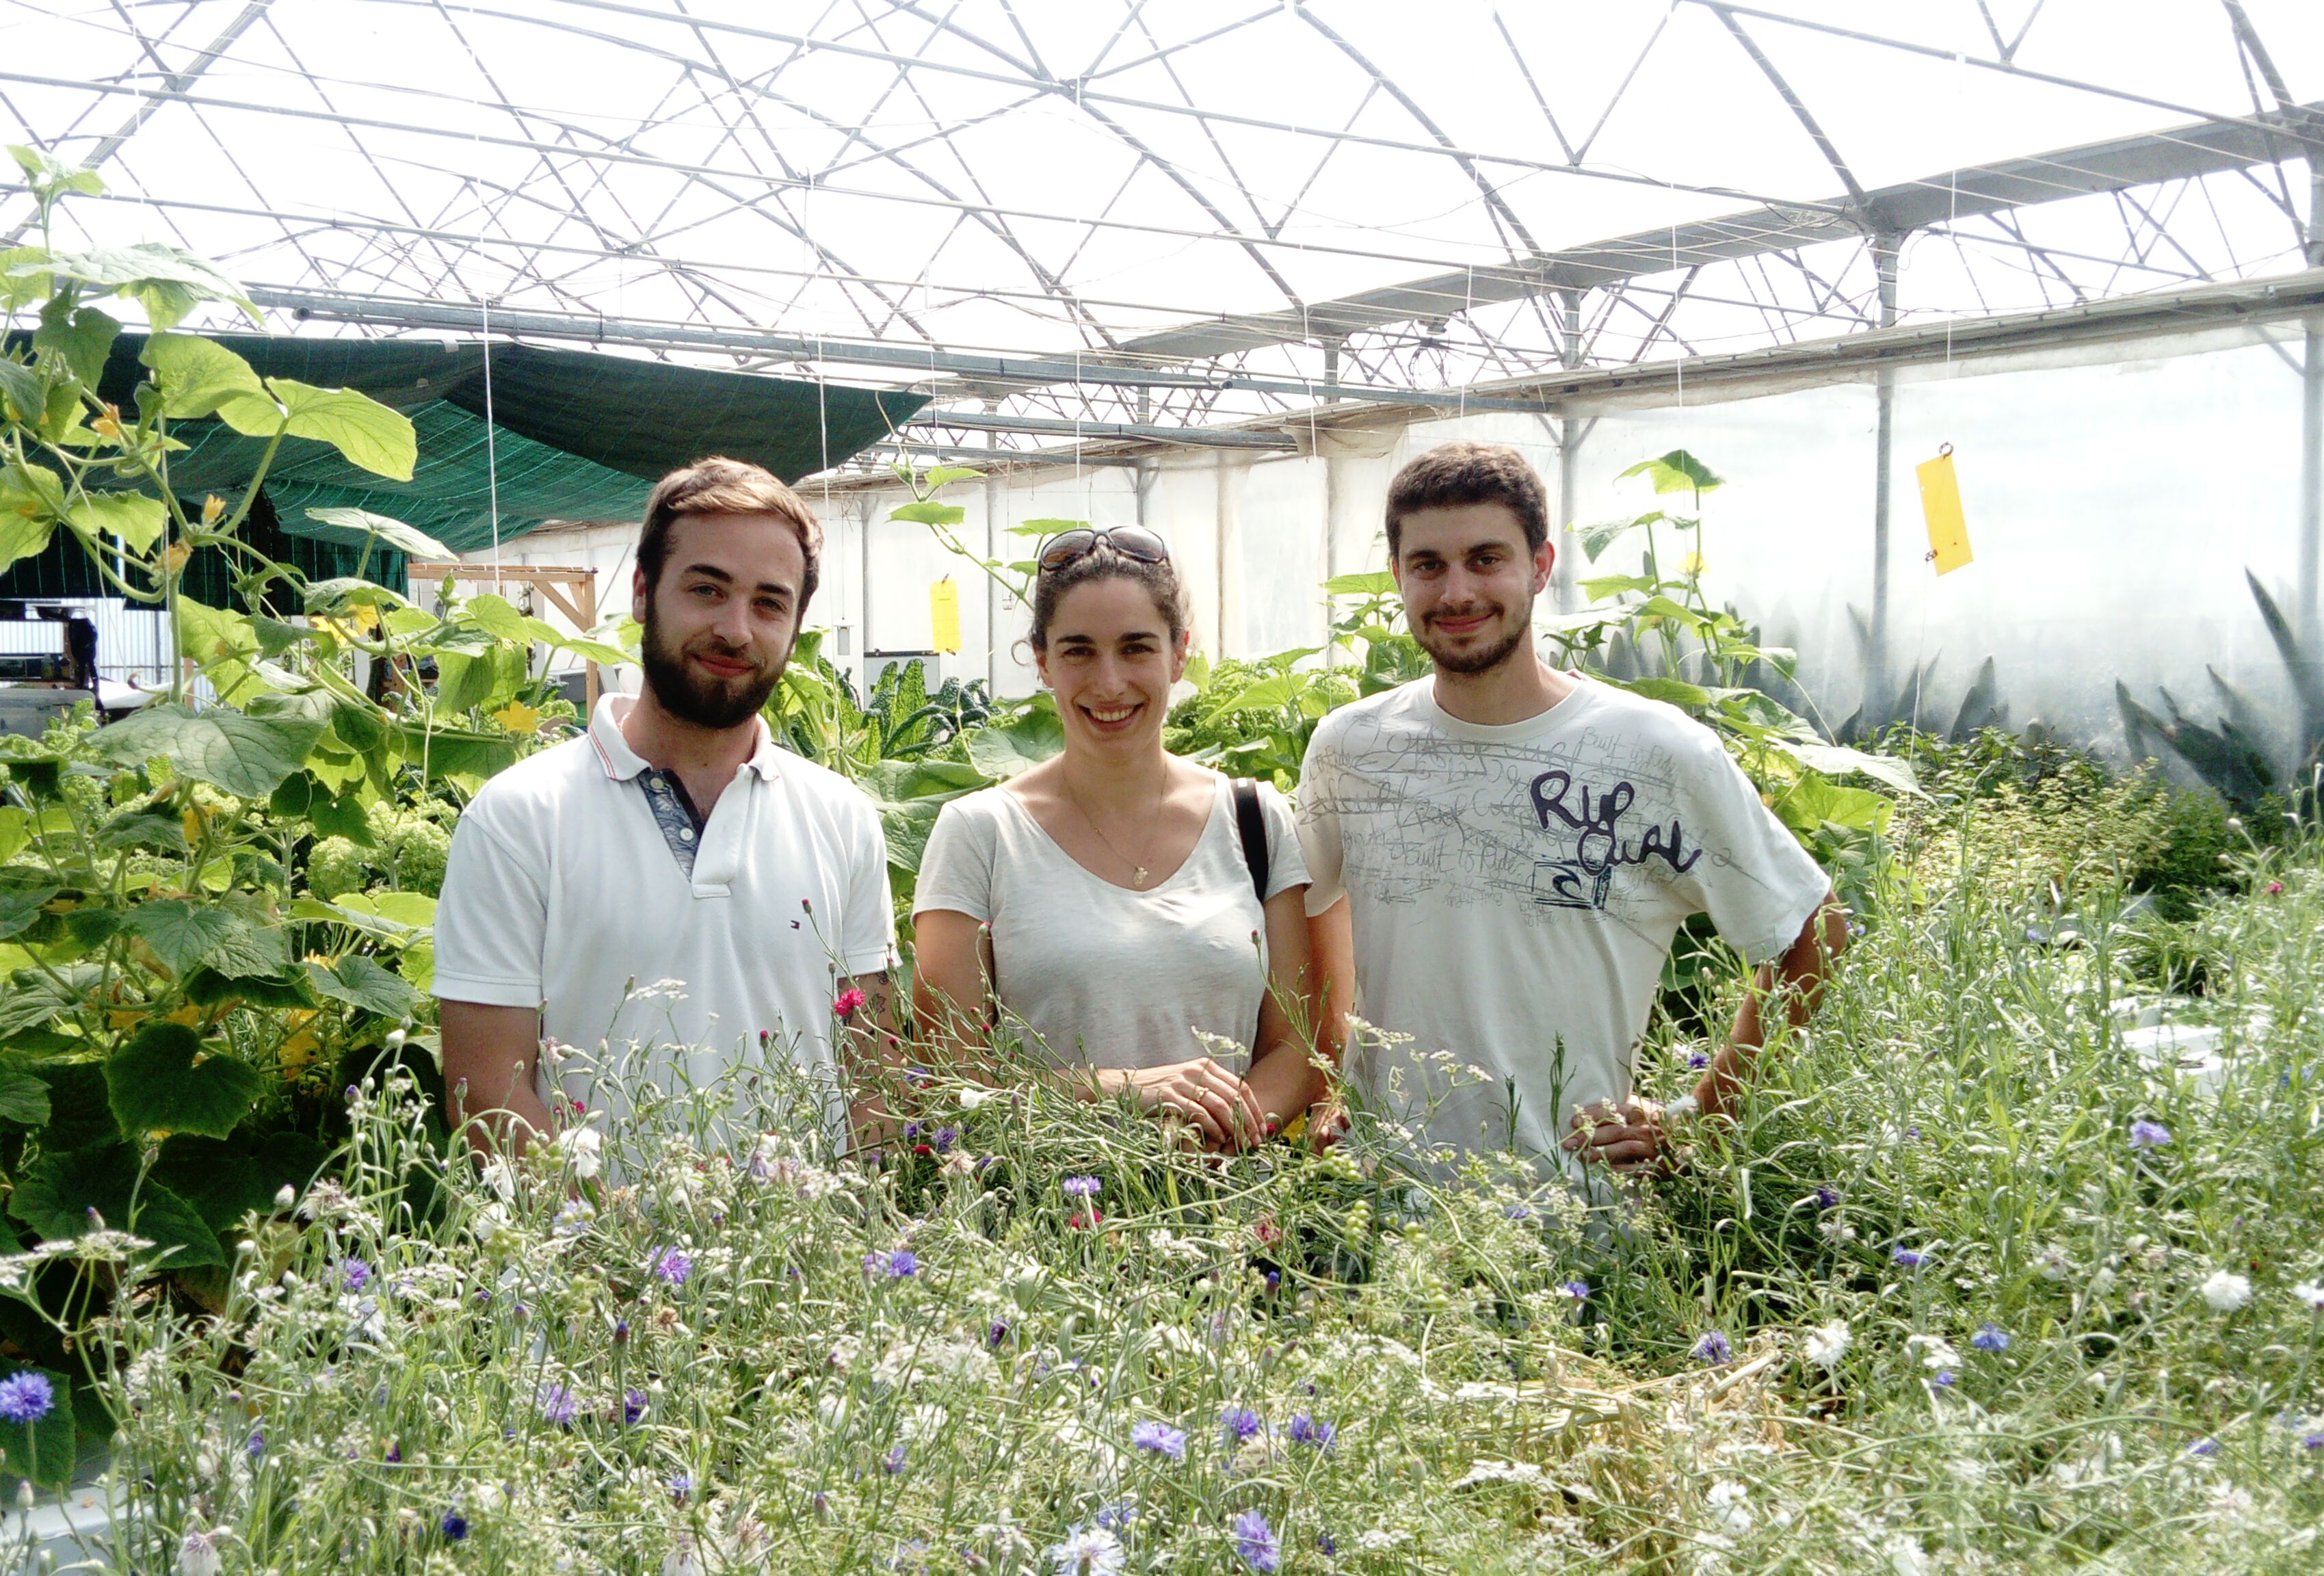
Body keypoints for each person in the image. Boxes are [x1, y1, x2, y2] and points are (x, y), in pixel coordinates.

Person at [1298, 441, 1847, 1178]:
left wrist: (1705, 1115)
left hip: (1575, 1221)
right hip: (1382, 1201)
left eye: (1486, 559)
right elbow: (1311, 909)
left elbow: (1813, 927)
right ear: (1397, 574)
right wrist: (1331, 1076)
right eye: (1428, 565)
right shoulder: (1350, 747)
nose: (1456, 591)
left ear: (1541, 565)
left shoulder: (1653, 751)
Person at [434, 457, 897, 1153]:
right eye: (707, 589)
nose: (736, 629)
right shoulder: (519, 817)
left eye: (769, 602)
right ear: (644, 593)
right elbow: (486, 1092)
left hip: (805, 1255)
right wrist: (621, 1255)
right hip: (587, 1260)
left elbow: (874, 1072)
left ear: (795, 625)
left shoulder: (842, 818)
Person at [912, 526, 1321, 1150]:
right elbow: (951, 1075)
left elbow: (1296, 1046)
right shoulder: (981, 834)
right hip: (1050, 1219)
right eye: (1078, 651)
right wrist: (1121, 1089)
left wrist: (1210, 1142)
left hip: (1232, 1210)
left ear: (1178, 654)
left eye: (1136, 649)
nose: (1109, 683)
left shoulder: (1253, 818)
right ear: (1043, 661)